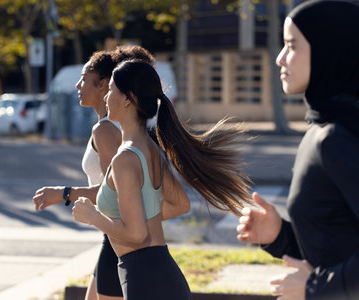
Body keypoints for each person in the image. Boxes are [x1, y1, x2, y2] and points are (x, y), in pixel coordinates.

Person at [72, 60, 252, 299]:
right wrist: (140, 218)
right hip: (162, 274)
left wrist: (93, 216)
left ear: (128, 98)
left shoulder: (125, 159)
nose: (106, 97)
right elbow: (180, 204)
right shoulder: (150, 149)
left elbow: (136, 235)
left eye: (112, 89)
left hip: (144, 279)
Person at [236, 1, 359, 299]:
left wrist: (315, 287)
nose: (280, 58)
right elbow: (337, 243)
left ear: (328, 50)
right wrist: (279, 236)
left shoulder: (336, 139)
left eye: (291, 45)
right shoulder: (323, 130)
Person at [33, 47, 155, 300]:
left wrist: (64, 193)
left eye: (84, 79)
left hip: (121, 239)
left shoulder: (105, 130)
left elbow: (118, 190)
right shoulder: (110, 127)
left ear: (102, 85)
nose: (77, 85)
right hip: (114, 236)